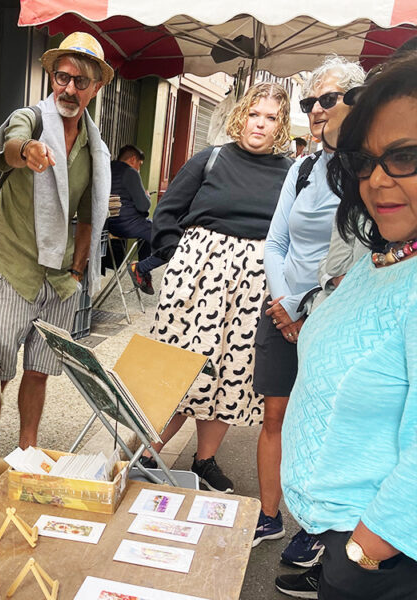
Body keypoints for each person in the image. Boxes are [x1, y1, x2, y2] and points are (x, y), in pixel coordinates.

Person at [278, 54, 417, 600]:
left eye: (403, 156)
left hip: (386, 559)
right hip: (343, 542)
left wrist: (365, 551)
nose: (376, 179)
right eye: (364, 161)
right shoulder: (382, 256)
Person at [138, 83, 294, 492]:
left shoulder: (290, 172)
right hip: (197, 279)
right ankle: (141, 455)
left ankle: (204, 461)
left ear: (280, 126)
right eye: (255, 114)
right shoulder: (211, 158)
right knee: (176, 368)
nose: (260, 123)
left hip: (252, 285)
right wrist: (181, 261)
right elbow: (167, 212)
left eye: (271, 117)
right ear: (242, 115)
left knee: (231, 372)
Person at [0, 32, 111, 455]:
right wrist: (29, 150)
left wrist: (77, 267)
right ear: (52, 76)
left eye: (80, 81)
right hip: (14, 266)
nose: (68, 88)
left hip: (61, 278)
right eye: (61, 77)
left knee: (39, 371)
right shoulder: (29, 118)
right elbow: (11, 145)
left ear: (96, 87)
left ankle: (27, 452)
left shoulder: (95, 148)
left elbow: (89, 215)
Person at [252, 57, 365, 555]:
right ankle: (269, 515)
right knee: (274, 416)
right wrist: (284, 306)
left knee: (322, 421)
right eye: (309, 102)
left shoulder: (366, 169)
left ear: (357, 104)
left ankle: (317, 527)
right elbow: (275, 243)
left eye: (328, 99)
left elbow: (362, 257)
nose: (316, 110)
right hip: (282, 312)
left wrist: (306, 311)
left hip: (333, 318)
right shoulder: (300, 169)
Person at [107, 144, 154, 294]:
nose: (139, 168)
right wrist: (147, 197)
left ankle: (142, 272)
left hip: (108, 224)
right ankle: (142, 271)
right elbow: (143, 206)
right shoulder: (130, 173)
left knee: (147, 229)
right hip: (126, 224)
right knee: (156, 230)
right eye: (139, 164)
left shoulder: (108, 167)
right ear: (133, 159)